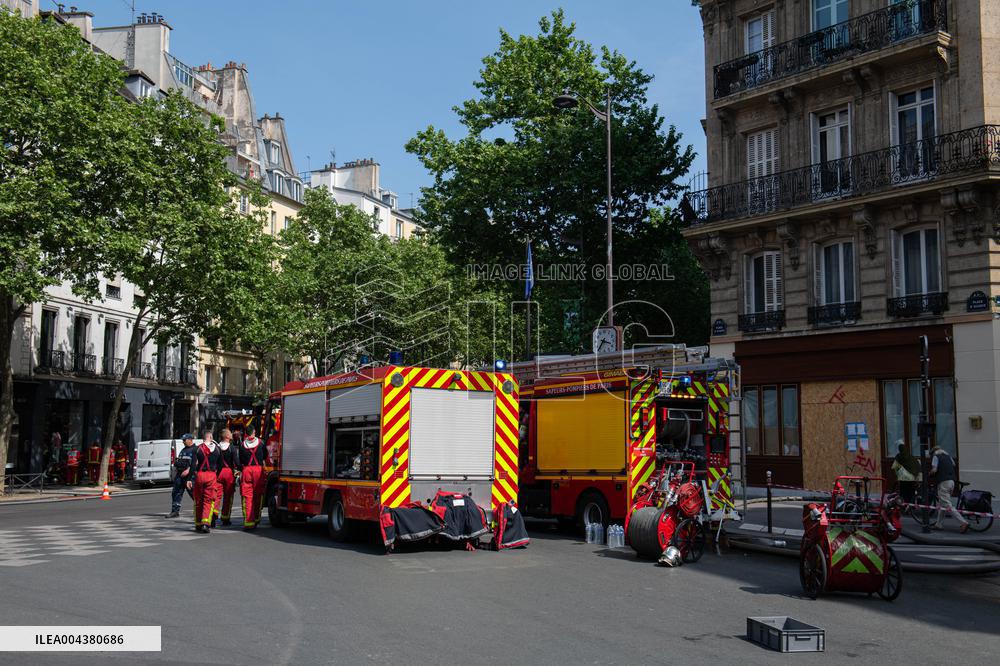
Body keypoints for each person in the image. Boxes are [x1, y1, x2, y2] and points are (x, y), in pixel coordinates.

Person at [930, 444, 969, 533]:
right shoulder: (948, 456)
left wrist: (930, 473)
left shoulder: (936, 457)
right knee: (942, 503)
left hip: (943, 482)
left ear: (934, 452)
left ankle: (963, 522)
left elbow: (934, 470)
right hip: (952, 482)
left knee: (947, 505)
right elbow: (953, 464)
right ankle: (938, 524)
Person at [190, 431, 221, 533]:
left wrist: (189, 479)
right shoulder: (217, 449)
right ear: (211, 438)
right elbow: (220, 465)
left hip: (200, 475)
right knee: (209, 500)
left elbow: (193, 465)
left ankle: (198, 523)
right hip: (211, 475)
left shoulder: (197, 449)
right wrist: (216, 475)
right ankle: (205, 523)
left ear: (203, 438)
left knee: (198, 500)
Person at [238, 425, 267, 530]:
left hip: (247, 470)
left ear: (246, 433)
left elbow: (240, 459)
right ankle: (256, 518)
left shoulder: (242, 445)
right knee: (258, 495)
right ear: (254, 432)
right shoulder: (261, 443)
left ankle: (248, 522)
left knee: (247, 496)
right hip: (258, 470)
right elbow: (265, 455)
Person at [168, 434, 197, 518]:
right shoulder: (183, 450)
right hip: (180, 475)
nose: (183, 442)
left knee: (194, 494)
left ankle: (200, 510)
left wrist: (188, 471)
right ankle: (175, 511)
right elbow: (179, 461)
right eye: (183, 440)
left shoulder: (196, 449)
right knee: (176, 492)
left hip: (190, 476)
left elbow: (196, 463)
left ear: (190, 439)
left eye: (184, 440)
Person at [214, 429, 238, 526]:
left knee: (216, 495)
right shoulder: (232, 448)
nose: (232, 434)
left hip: (218, 473)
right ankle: (225, 517)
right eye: (230, 433)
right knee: (228, 496)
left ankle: (214, 515)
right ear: (227, 436)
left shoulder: (216, 447)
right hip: (228, 473)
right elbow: (236, 462)